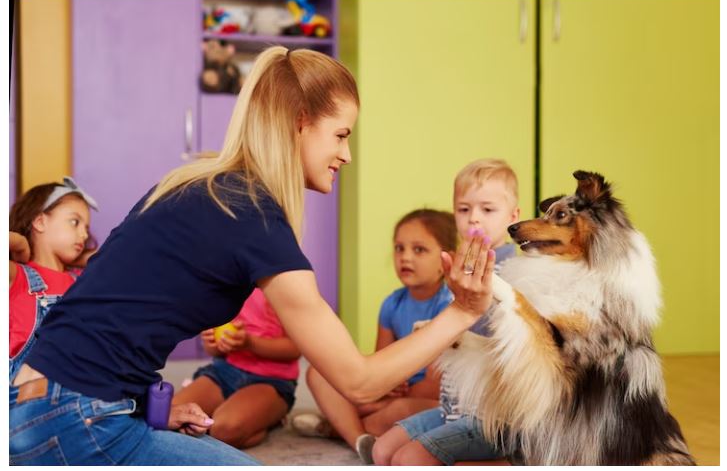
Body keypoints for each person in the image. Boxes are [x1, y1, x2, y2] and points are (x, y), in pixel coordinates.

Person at [9, 46, 496, 466]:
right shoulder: (254, 216)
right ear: (299, 124)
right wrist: (462, 311)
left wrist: (140, 402)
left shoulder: (196, 185)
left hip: (31, 396)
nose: (346, 155)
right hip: (78, 416)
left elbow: (104, 305)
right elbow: (359, 381)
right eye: (342, 135)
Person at [372, 158, 521, 466]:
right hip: (451, 405)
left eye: (488, 210)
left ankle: (511, 461)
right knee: (382, 451)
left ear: (513, 216)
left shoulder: (517, 272)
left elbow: (504, 338)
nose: (474, 219)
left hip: (490, 416)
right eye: (464, 209)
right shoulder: (459, 268)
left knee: (408, 460)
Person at [292, 209, 457, 463]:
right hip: (394, 392)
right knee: (319, 374)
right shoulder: (392, 304)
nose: (406, 257)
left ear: (446, 259)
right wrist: (385, 389)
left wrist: (393, 395)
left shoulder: (449, 306)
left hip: (429, 399)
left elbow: (436, 386)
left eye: (419, 250)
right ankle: (360, 439)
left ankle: (337, 428)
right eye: (399, 248)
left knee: (398, 411)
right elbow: (380, 362)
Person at [172, 288, 300, 449]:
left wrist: (250, 343)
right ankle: (235, 413)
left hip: (270, 380)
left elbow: (295, 349)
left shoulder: (280, 287)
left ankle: (270, 419)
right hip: (224, 371)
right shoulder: (223, 286)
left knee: (223, 431)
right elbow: (214, 351)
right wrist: (211, 342)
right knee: (172, 416)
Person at [9, 177, 98, 381]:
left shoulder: (82, 281)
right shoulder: (17, 275)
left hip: (79, 395)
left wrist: (85, 258)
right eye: (75, 222)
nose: (84, 235)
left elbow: (118, 257)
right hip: (27, 398)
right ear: (40, 222)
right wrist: (19, 242)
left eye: (86, 228)